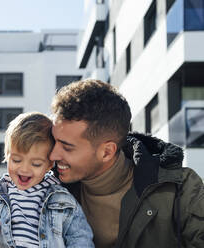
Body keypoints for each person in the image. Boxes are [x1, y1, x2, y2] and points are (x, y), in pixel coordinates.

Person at [49, 79, 204, 248]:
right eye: (54, 141)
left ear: (107, 152)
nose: (53, 155)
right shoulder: (44, 193)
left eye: (67, 147)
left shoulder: (181, 189)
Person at [0, 112, 94, 248]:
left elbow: (81, 238)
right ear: (7, 155)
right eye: (16, 160)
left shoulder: (63, 200)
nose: (24, 169)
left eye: (36, 164)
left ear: (49, 165)